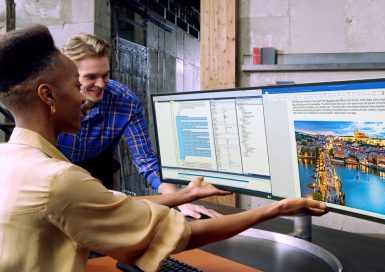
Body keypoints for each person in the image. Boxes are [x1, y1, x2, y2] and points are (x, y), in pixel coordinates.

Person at [0, 25, 328, 272]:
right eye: (78, 84)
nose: (89, 96)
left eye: (106, 76)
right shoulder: (59, 180)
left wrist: (185, 195)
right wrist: (275, 209)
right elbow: (181, 235)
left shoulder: (9, 159)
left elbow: (110, 197)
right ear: (48, 96)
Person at [57, 33, 218, 219]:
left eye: (105, 75)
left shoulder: (125, 101)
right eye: (91, 77)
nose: (101, 84)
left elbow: (145, 159)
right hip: (53, 176)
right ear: (70, 76)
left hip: (97, 178)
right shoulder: (51, 101)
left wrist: (180, 200)